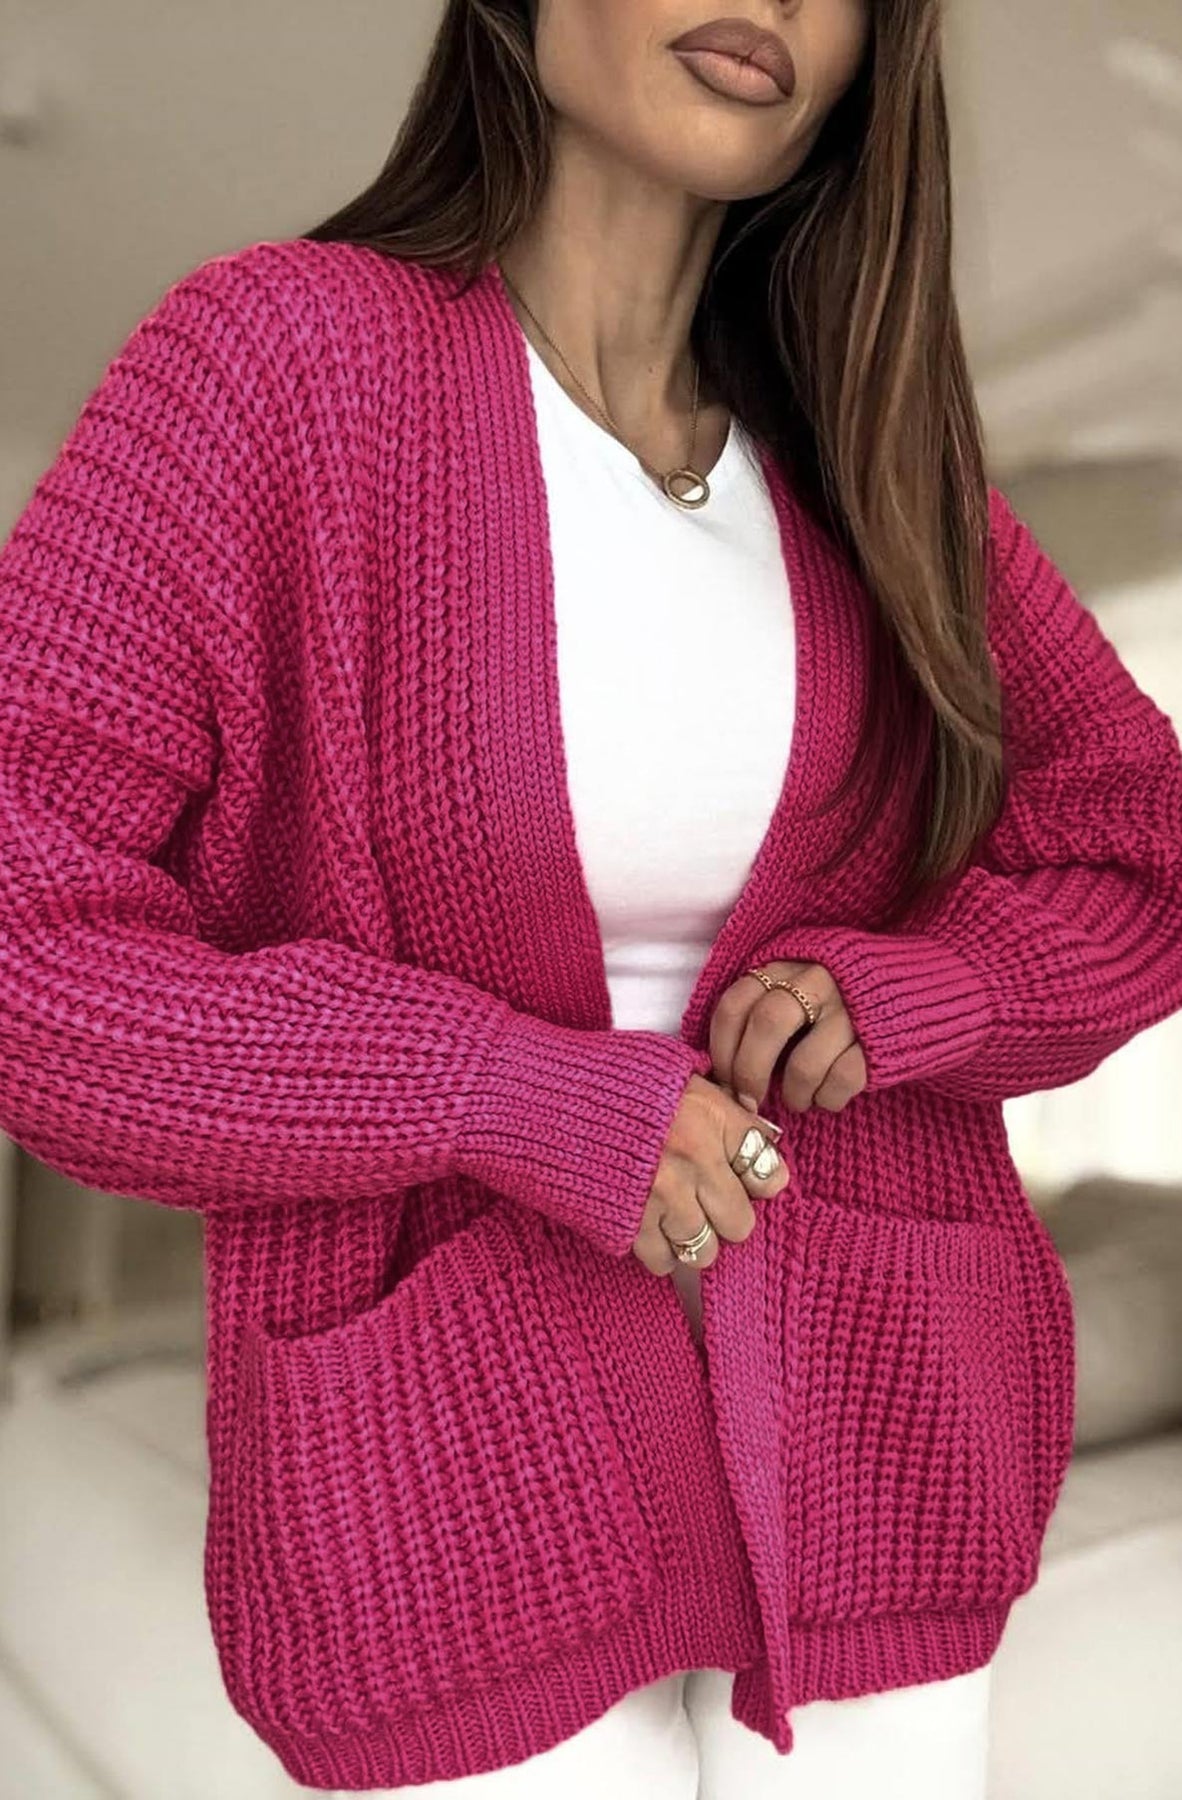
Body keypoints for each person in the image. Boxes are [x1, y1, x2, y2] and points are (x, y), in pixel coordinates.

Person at [1, 1, 1180, 1795]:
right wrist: (504, 1092)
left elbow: (1138, 847)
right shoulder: (275, 365)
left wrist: (916, 994)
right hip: (451, 1490)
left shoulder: (872, 462)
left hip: (879, 1453)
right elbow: (30, 949)